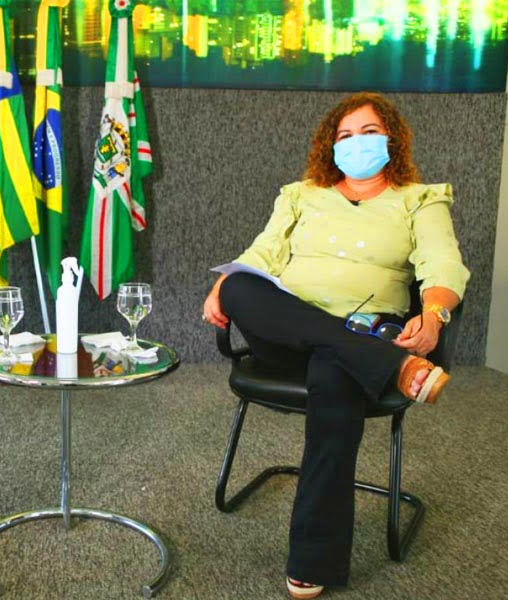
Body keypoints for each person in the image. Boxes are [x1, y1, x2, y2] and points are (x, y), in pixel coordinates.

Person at [202, 92, 469, 599]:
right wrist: (222, 285)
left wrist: (434, 315)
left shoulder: (420, 199)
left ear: (392, 139)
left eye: (368, 132)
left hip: (364, 328)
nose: (356, 143)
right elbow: (262, 252)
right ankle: (391, 365)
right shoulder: (301, 195)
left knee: (335, 373)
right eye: (345, 135)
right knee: (238, 286)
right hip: (287, 335)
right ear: (330, 146)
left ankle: (313, 559)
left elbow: (443, 265)